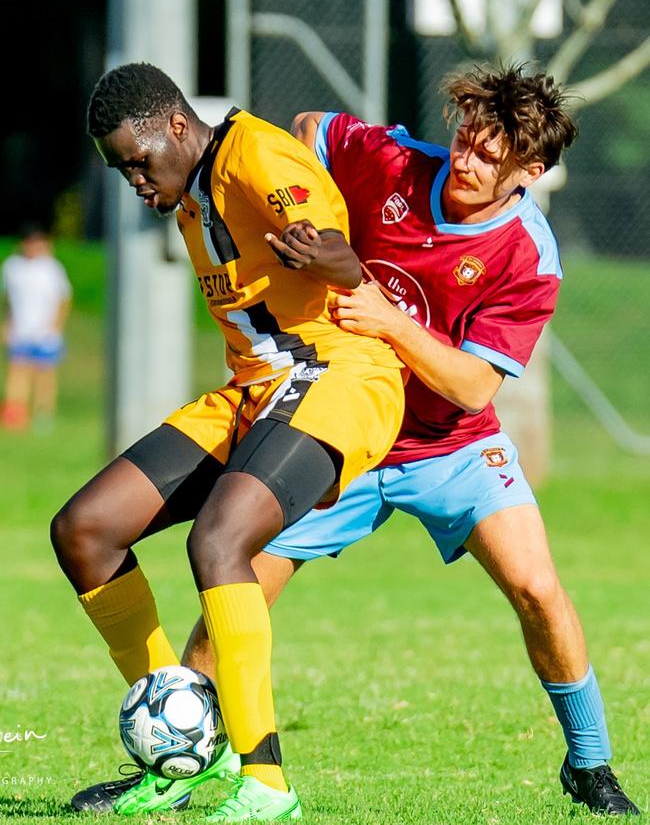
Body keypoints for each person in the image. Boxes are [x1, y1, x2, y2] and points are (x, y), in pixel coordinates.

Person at [70, 63, 640, 818]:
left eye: (487, 156)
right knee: (232, 587)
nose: (463, 160)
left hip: (448, 443)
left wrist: (387, 317)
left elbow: (474, 386)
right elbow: (310, 128)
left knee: (537, 587)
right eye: (464, 137)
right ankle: (187, 756)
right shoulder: (393, 159)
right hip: (324, 413)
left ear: (530, 172)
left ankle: (591, 764)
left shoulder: (528, 254)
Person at [51, 61, 405, 822]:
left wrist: (326, 254)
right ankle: (184, 746)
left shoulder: (256, 155)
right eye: (121, 173)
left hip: (341, 376)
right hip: (255, 391)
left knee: (218, 542)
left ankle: (267, 782)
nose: (136, 183)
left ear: (177, 124)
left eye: (138, 163)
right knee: (85, 530)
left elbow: (344, 258)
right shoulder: (189, 192)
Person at [1, 225, 72, 431]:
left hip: (45, 332)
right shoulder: (12, 267)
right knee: (17, 372)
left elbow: (63, 299)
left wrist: (55, 327)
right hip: (21, 330)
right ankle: (16, 413)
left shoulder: (51, 268)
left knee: (45, 375)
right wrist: (7, 324)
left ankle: (43, 415)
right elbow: (9, 300)